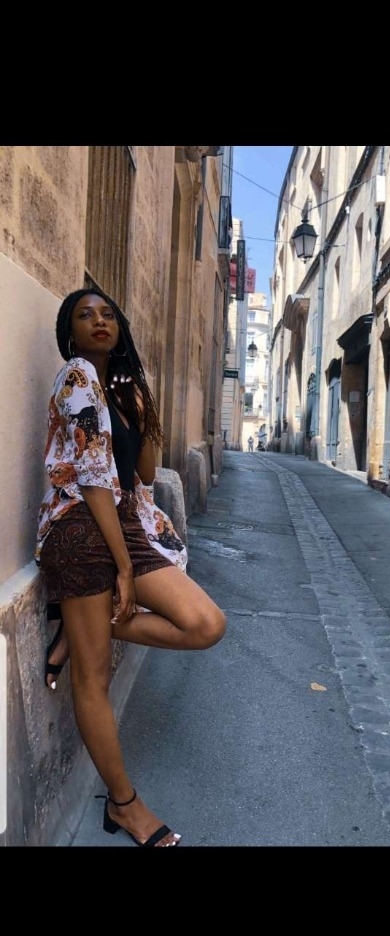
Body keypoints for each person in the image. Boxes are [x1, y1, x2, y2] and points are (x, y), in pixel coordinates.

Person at [35, 286, 227, 847]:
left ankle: (81, 628)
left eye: (107, 314)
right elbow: (94, 480)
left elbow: (142, 475)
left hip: (123, 520)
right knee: (93, 678)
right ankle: (124, 806)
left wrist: (143, 411)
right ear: (70, 333)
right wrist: (123, 567)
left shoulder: (118, 391)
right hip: (79, 525)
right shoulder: (76, 377)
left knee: (206, 623)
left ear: (119, 329)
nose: (98, 321)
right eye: (84, 315)